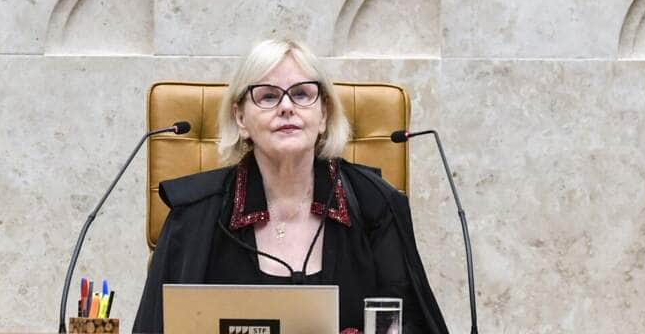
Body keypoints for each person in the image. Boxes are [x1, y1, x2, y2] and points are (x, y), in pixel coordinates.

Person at [133, 39, 449, 334]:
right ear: (241, 118)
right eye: (268, 96)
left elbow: (411, 324)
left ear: (324, 114)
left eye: (301, 94)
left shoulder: (376, 204)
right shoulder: (194, 214)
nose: (287, 107)